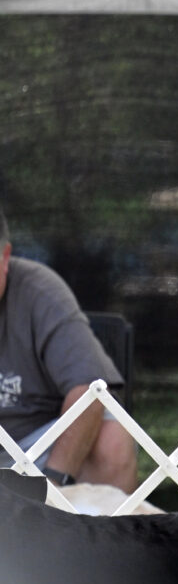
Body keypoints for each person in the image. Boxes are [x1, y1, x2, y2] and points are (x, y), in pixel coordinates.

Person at [0, 205, 138, 493]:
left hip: (33, 450)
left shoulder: (40, 290)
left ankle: (98, 535)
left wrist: (51, 487)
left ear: (5, 256)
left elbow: (89, 389)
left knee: (112, 433)